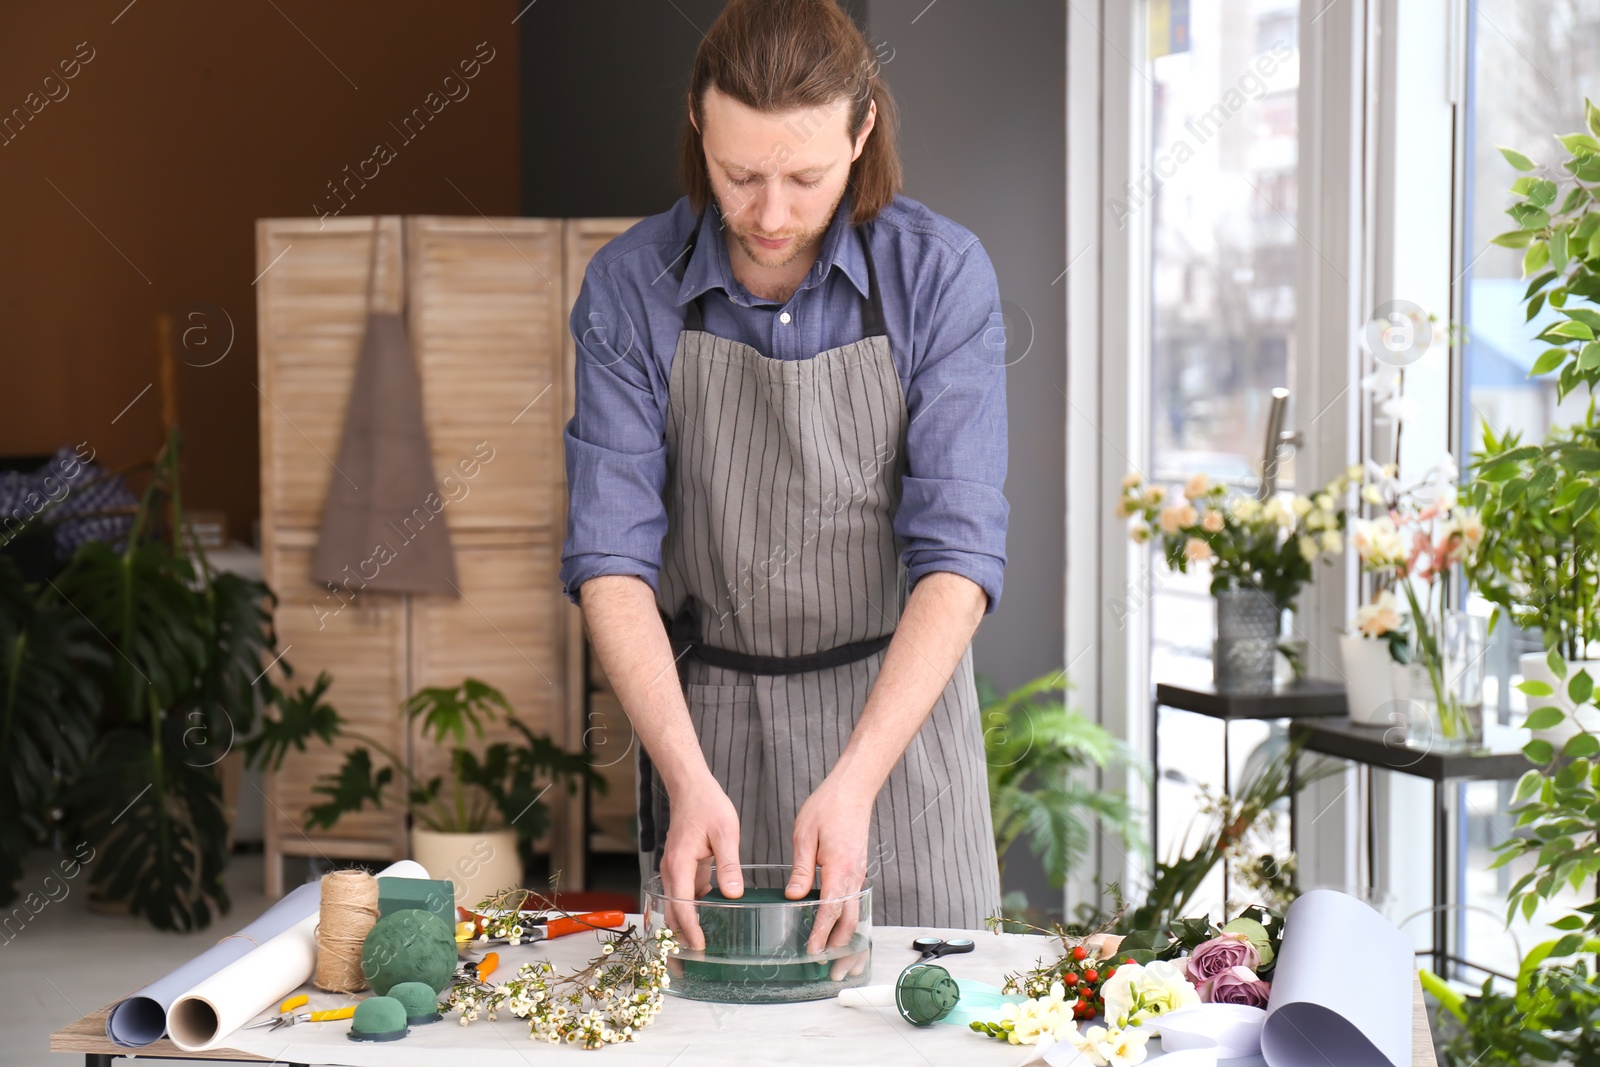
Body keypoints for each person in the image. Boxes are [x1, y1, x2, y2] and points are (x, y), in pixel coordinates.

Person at [558, 0, 1008, 943]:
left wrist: (855, 782)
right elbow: (610, 561)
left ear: (863, 131)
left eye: (805, 177)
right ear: (697, 123)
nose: (770, 214)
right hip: (706, 734)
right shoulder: (627, 289)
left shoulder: (940, 276)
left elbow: (959, 561)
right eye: (739, 174)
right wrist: (684, 774)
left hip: (898, 736)